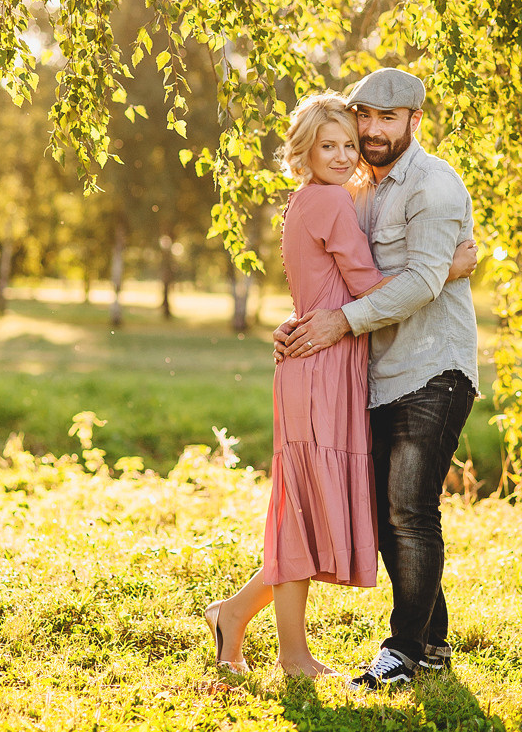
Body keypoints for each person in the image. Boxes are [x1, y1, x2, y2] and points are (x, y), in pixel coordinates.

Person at [277, 67, 479, 691]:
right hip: (376, 371)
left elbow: (418, 282)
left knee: (409, 508)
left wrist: (339, 322)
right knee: (390, 512)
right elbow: (333, 264)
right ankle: (434, 643)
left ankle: (405, 649)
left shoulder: (434, 186)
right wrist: (304, 319)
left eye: (387, 119)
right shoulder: (359, 187)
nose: (371, 129)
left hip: (433, 366)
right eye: (364, 116)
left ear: (415, 121)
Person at [204, 93, 388, 677]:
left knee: (303, 512)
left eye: (347, 146)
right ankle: (290, 654)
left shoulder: (310, 200)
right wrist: (446, 270)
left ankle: (234, 615)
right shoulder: (330, 201)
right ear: (304, 151)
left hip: (317, 362)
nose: (339, 155)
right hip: (321, 365)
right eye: (326, 145)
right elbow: (369, 284)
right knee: (302, 514)